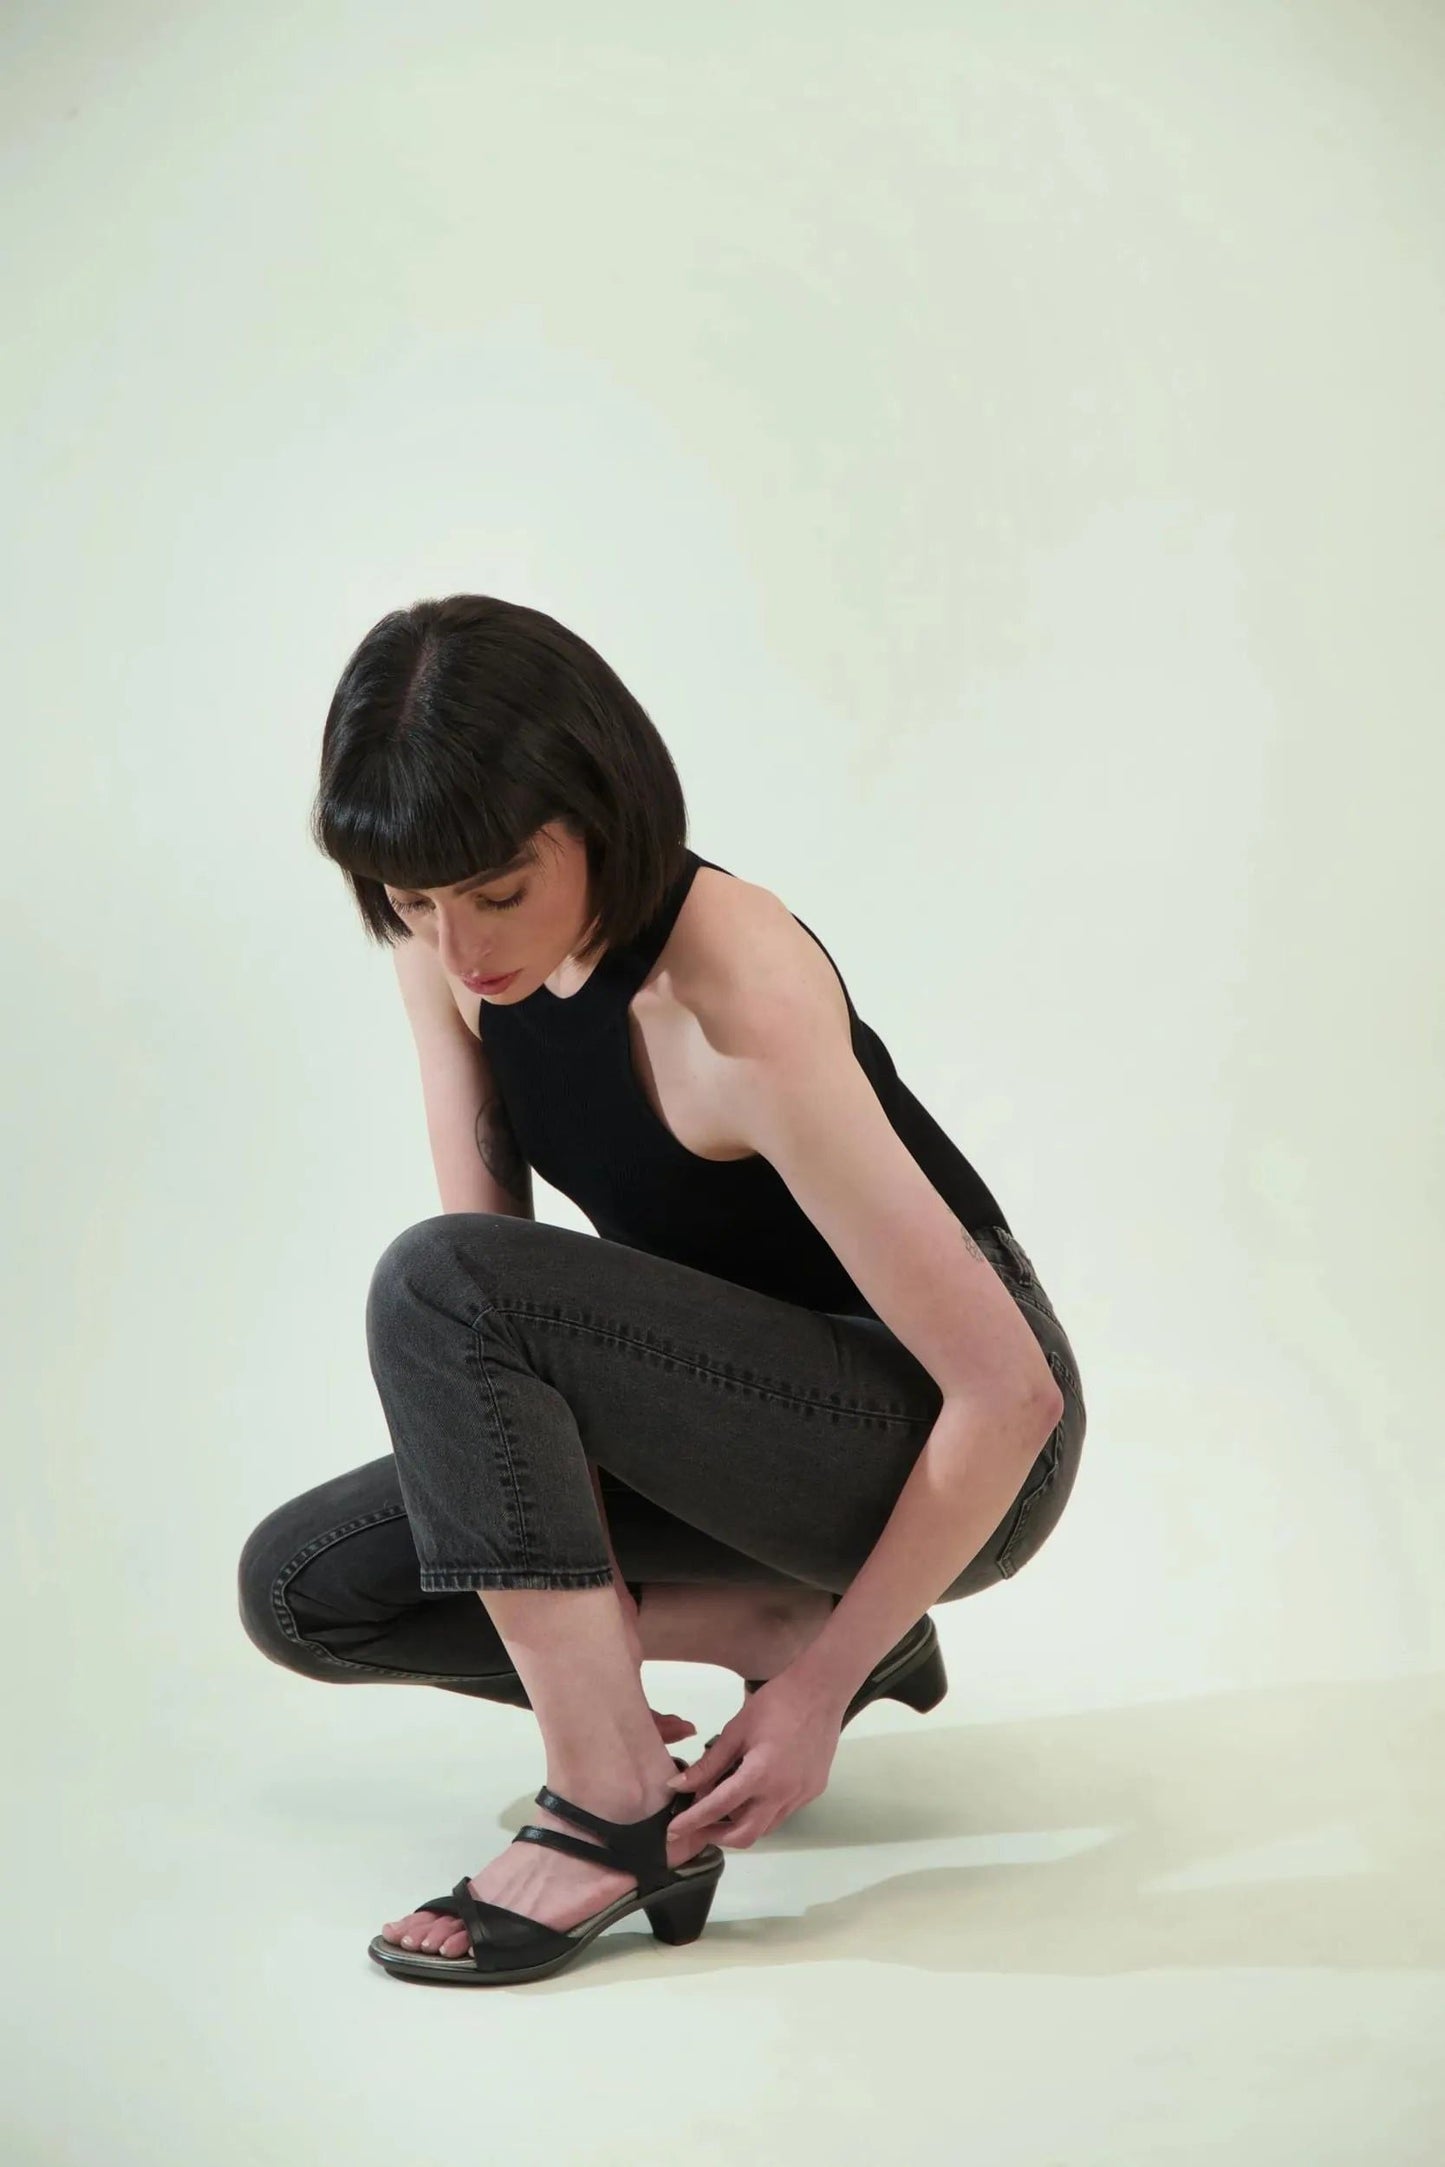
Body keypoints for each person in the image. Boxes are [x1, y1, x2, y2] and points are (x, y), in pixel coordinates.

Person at [236, 593, 1087, 1986]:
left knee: (435, 1277)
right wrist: (585, 1575)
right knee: (305, 1592)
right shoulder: (445, 941)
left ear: (596, 812)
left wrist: (811, 1708)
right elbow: (488, 1328)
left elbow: (1008, 1395)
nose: (460, 948)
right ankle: (777, 1625)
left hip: (950, 1438)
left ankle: (614, 1813)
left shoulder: (731, 995)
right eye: (413, 904)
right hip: (712, 1431)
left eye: (497, 892)